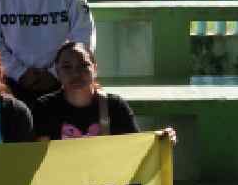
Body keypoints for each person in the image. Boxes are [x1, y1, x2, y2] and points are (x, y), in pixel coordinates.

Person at [34, 41, 176, 143]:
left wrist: (160, 140)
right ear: (57, 72)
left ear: (95, 69)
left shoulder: (115, 106)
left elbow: (135, 147)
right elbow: (37, 156)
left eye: (83, 65)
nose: (75, 73)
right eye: (66, 67)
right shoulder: (45, 107)